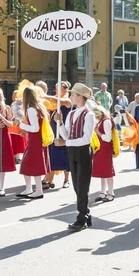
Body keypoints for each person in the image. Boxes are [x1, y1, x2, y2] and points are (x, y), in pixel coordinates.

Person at [54, 83, 96, 230]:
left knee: (83, 186)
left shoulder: (89, 115)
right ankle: (86, 213)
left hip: (83, 152)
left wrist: (65, 142)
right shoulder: (71, 114)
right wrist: (59, 123)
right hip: (72, 152)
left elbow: (86, 139)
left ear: (79, 96)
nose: (70, 97)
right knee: (77, 186)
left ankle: (82, 218)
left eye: (72, 94)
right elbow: (66, 133)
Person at [15, 86, 51, 199]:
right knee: (32, 164)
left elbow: (35, 128)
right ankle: (31, 189)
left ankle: (36, 190)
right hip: (38, 139)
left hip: (35, 141)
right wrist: (26, 131)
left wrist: (19, 124)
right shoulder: (39, 108)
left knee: (30, 164)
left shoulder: (31, 109)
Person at [43, 82, 72, 190]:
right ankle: (50, 181)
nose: (56, 91)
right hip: (53, 132)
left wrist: (44, 96)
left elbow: (60, 101)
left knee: (65, 157)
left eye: (59, 89)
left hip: (63, 132)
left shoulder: (67, 101)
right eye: (55, 89)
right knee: (52, 157)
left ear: (65, 89)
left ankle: (66, 180)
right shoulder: (53, 102)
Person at [91, 106, 117, 202]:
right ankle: (103, 192)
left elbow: (108, 138)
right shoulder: (101, 121)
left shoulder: (106, 121)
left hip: (105, 149)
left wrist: (98, 132)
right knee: (103, 172)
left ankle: (110, 193)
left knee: (108, 172)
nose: (96, 117)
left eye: (97, 115)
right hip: (99, 148)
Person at [10, 90, 27, 164]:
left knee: (20, 140)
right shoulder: (14, 104)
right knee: (16, 140)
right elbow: (16, 114)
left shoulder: (24, 104)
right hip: (15, 124)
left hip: (22, 123)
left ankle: (18, 157)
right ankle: (15, 157)